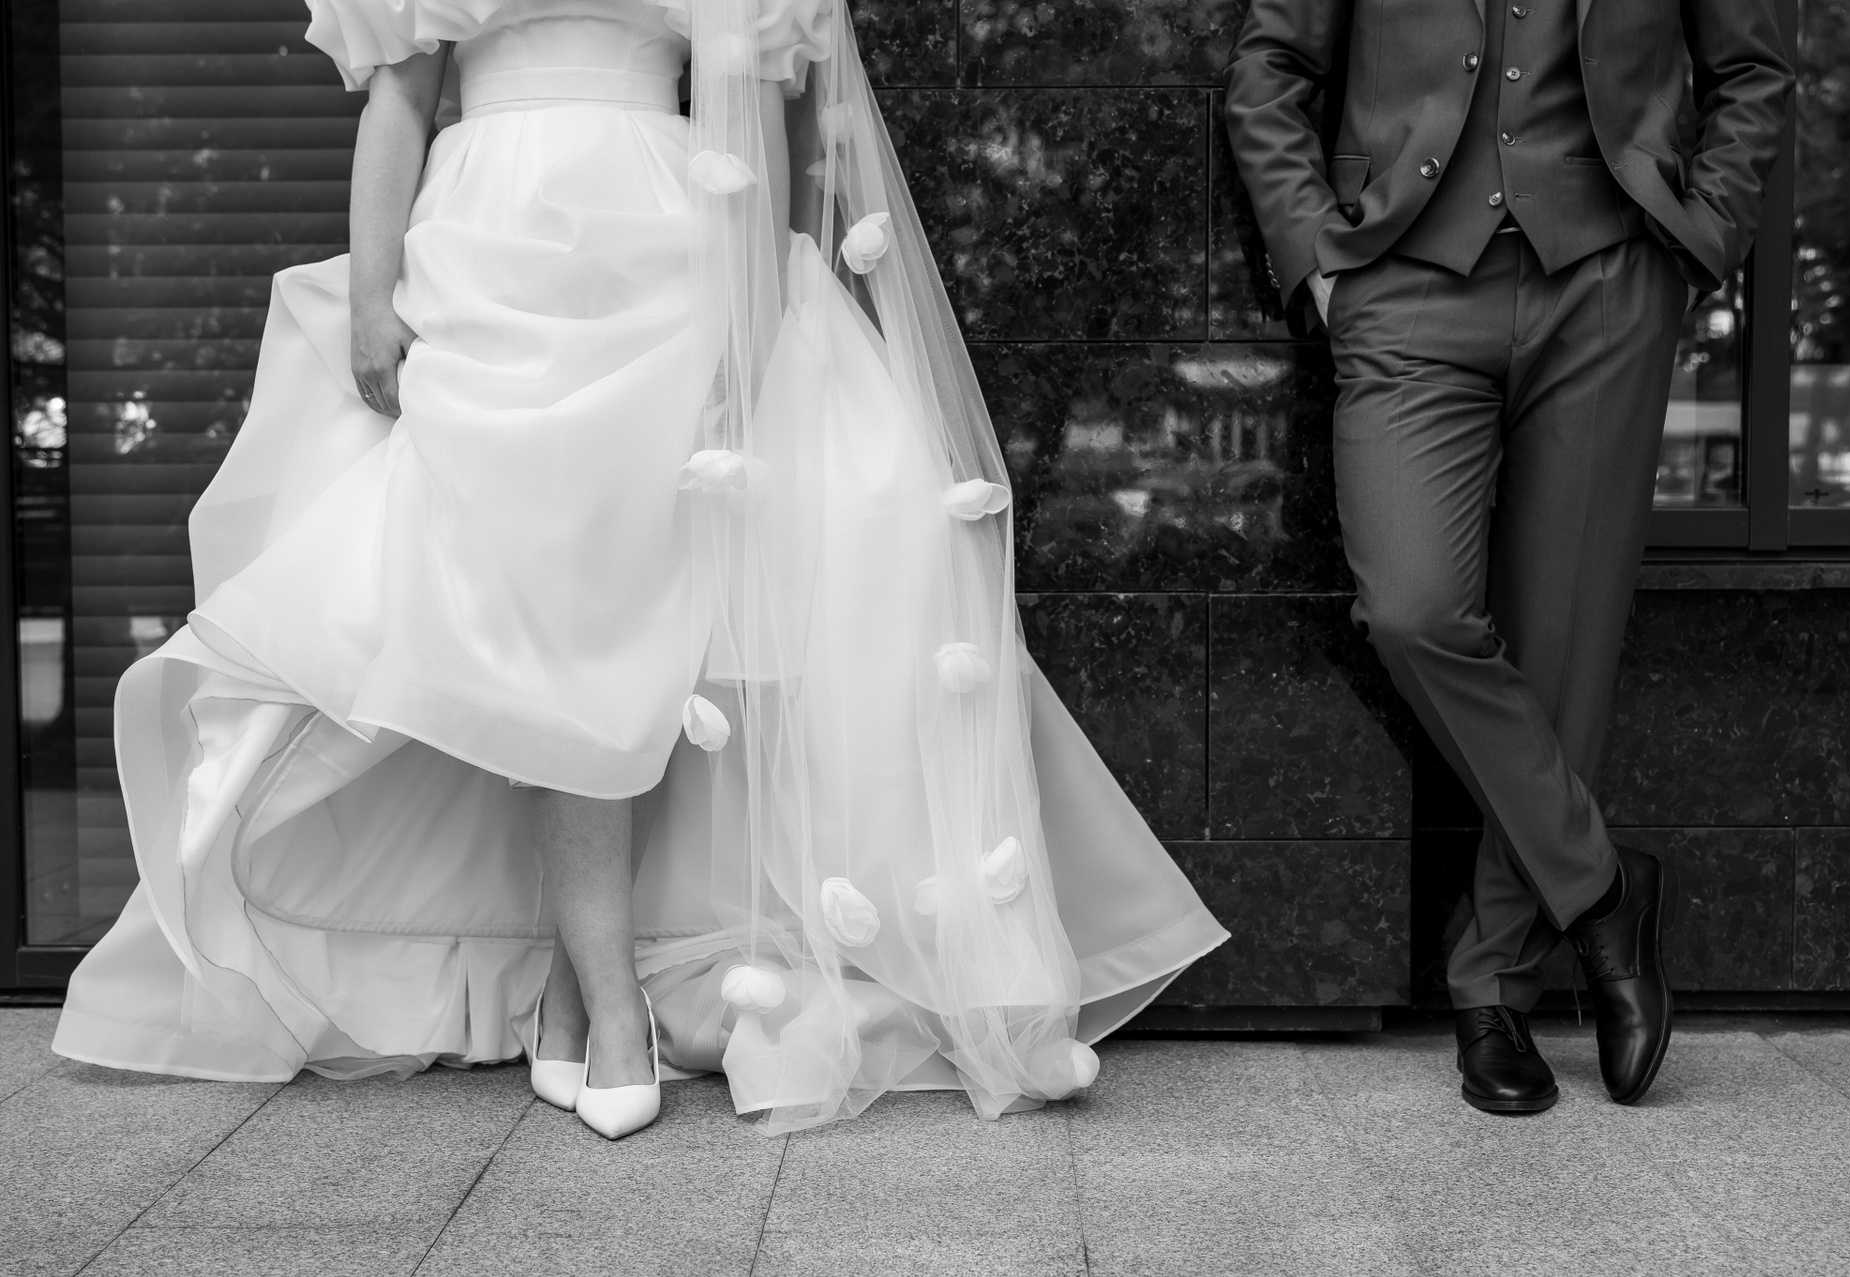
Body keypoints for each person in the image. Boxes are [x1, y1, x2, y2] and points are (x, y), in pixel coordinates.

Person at [53, 0, 1228, 1139]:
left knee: (642, 614)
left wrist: (753, 315)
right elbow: (399, 100)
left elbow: (768, 118)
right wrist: (370, 292)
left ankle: (586, 996)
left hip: (670, 242)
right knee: (536, 618)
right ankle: (603, 1001)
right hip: (488, 256)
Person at [1225, 0, 1790, 1112]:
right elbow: (1271, 65)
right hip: (1404, 278)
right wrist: (1319, 256)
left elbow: (1755, 72)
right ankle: (1604, 890)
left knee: (1562, 646)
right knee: (1413, 608)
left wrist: (1703, 232)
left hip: (1610, 281)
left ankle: (1493, 987)